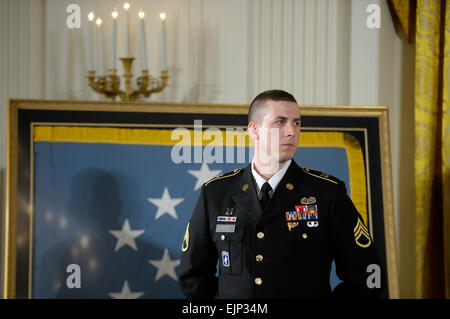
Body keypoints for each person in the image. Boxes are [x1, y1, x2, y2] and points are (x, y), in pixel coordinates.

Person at [177, 89, 384, 298]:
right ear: (254, 130)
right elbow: (192, 275)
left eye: (296, 123)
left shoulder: (327, 193)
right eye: (280, 122)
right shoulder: (215, 193)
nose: (291, 131)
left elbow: (369, 274)